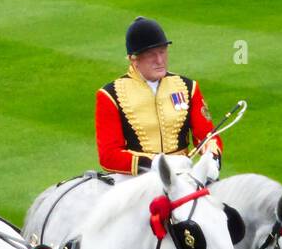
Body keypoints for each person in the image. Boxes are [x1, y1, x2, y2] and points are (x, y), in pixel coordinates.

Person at [94, 17, 223, 175]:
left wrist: (211, 157)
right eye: (151, 55)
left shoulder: (188, 87)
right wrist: (155, 163)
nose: (160, 60)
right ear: (134, 59)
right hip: (137, 181)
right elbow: (109, 156)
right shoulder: (110, 95)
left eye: (162, 51)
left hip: (183, 177)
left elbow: (206, 135)